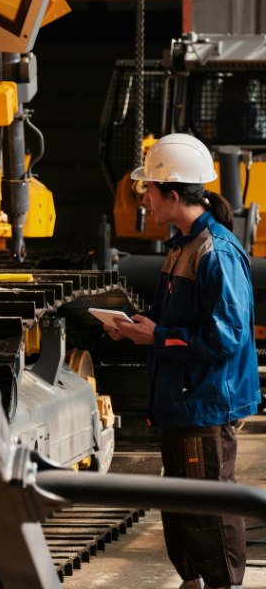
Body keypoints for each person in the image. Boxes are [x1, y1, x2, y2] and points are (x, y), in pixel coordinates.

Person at [104, 133, 259, 589]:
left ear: (173, 195)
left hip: (204, 404)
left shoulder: (217, 252)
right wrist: (140, 329)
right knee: (179, 505)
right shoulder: (181, 246)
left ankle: (220, 585)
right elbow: (178, 322)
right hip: (180, 401)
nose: (144, 197)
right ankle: (191, 581)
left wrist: (160, 335)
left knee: (207, 508)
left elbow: (227, 336)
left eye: (148, 189)